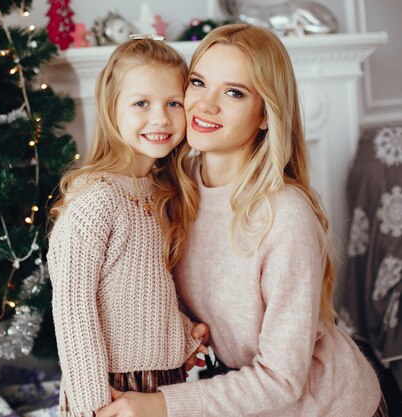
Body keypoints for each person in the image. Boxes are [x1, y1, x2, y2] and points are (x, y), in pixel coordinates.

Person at [96, 23, 387, 417]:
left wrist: (163, 404)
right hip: (245, 395)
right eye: (198, 83)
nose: (205, 105)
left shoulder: (285, 216)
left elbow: (281, 380)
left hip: (321, 405)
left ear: (266, 114)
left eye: (234, 92)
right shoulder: (175, 189)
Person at [47, 37, 207, 417]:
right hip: (108, 387)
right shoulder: (96, 199)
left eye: (173, 103)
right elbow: (73, 308)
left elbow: (143, 291)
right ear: (111, 109)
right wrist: (92, 402)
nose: (161, 118)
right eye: (141, 104)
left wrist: (181, 338)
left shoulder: (161, 191)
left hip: (161, 383)